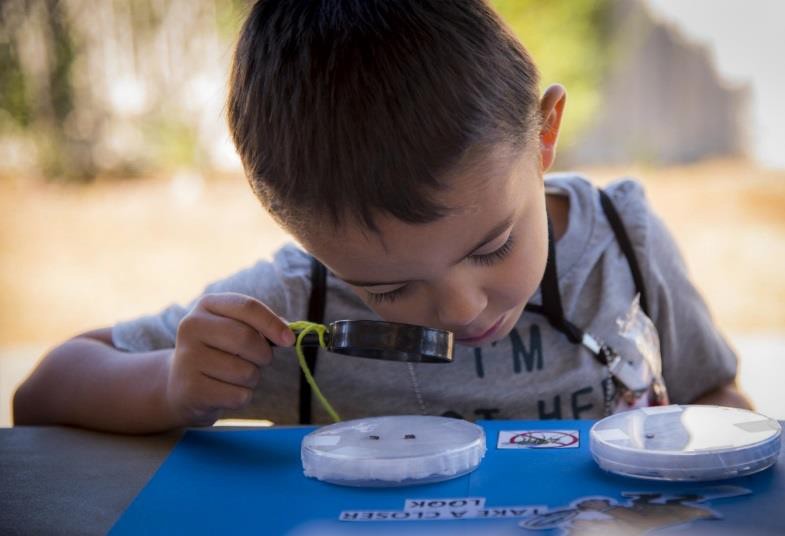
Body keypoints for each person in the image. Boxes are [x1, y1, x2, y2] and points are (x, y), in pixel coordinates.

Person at [13, 0, 750, 433]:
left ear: (543, 135)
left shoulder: (623, 243)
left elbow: (716, 398)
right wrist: (171, 387)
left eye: (492, 246)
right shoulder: (297, 310)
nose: (460, 310)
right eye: (388, 291)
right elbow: (43, 391)